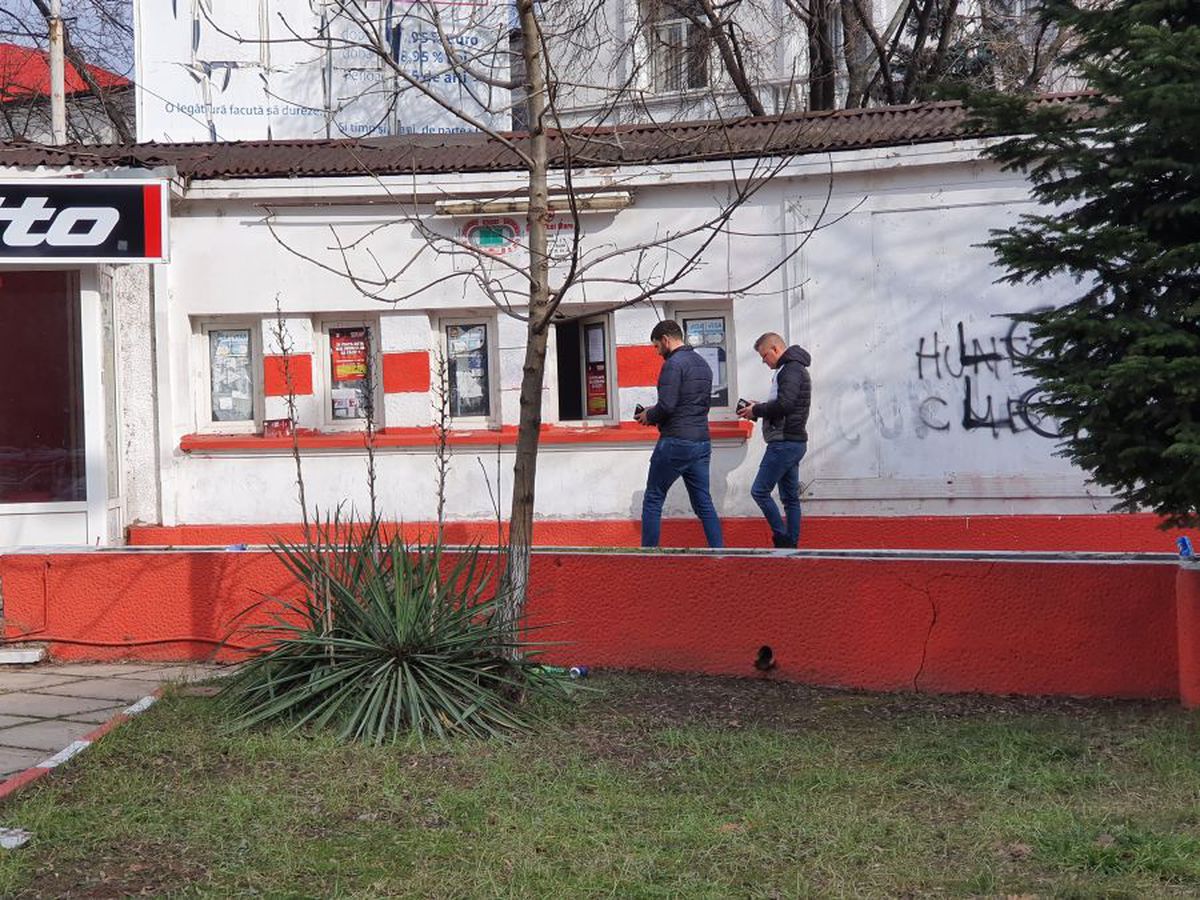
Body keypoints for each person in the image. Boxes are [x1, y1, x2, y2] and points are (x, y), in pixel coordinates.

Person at [634, 320, 724, 548]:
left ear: (665, 340)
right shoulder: (703, 364)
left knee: (653, 498)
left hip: (675, 441)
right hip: (701, 441)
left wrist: (648, 416)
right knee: (703, 502)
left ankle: (649, 556)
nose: (657, 352)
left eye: (656, 346)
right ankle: (721, 552)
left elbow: (667, 406)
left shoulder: (673, 365)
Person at [737, 332, 812, 548]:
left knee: (759, 491)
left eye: (764, 356)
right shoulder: (792, 368)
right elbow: (784, 403)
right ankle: (792, 547)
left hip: (784, 442)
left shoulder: (790, 370)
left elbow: (785, 405)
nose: (763, 361)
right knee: (789, 499)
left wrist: (757, 410)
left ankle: (783, 539)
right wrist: (757, 406)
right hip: (793, 441)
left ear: (776, 350)